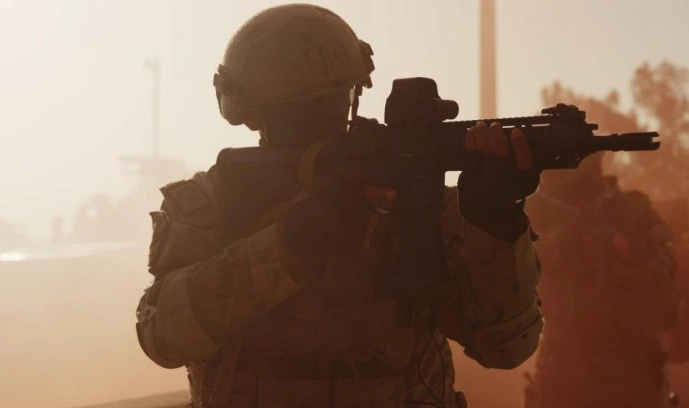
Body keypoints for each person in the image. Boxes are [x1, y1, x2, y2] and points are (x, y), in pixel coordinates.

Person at [136, 4, 544, 407]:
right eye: (297, 111)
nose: (323, 120)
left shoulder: (417, 203)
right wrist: (288, 244)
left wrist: (494, 220)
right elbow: (162, 339)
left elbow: (507, 347)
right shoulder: (212, 204)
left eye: (333, 100)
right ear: (255, 116)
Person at [523, 153, 680, 408]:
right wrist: (564, 242)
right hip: (566, 371)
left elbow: (667, 286)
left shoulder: (632, 210)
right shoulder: (542, 213)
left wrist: (638, 255)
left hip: (632, 372)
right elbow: (520, 257)